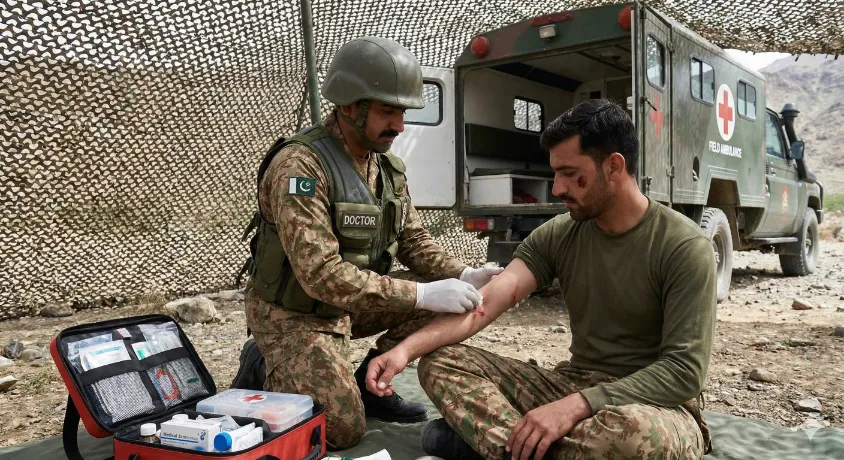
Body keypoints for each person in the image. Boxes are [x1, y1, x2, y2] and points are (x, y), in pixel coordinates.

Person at [365, 99, 717, 460]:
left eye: (570, 173)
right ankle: (524, 447)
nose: (558, 188)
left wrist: (574, 407)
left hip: (652, 403)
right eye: (556, 173)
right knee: (441, 362)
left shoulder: (684, 247)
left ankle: (485, 445)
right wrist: (404, 351)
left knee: (633, 438)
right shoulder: (559, 234)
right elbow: (489, 300)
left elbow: (683, 373)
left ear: (613, 167)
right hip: (573, 384)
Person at [234, 36, 502, 450]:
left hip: (349, 305)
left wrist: (463, 274)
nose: (399, 125)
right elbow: (321, 275)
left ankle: (369, 381)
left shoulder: (387, 167)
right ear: (348, 106)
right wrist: (422, 293)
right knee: (340, 430)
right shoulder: (300, 167)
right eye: (386, 111)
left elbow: (413, 242)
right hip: (294, 314)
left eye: (401, 112)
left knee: (457, 300)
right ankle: (263, 359)